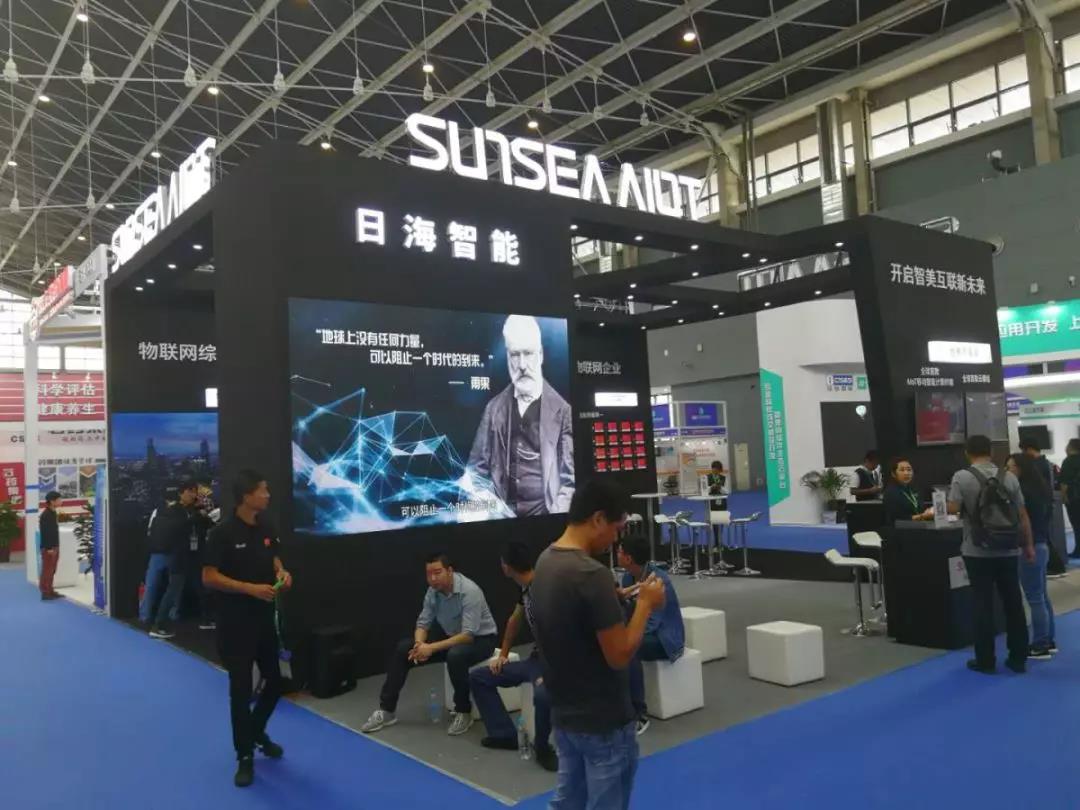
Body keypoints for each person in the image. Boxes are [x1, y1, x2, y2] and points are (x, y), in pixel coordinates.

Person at [530, 478, 666, 810]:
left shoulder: (546, 561)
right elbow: (619, 655)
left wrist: (610, 598)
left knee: (568, 803)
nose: (616, 539)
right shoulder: (592, 575)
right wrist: (645, 605)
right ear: (598, 519)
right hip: (603, 721)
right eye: (616, 529)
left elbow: (569, 626)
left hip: (566, 716)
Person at [203, 470, 293, 788]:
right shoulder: (222, 533)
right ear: (246, 496)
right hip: (234, 624)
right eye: (262, 490)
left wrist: (282, 573)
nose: (267, 495)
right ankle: (244, 755)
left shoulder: (267, 526)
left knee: (276, 682)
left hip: (265, 620)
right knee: (240, 691)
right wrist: (249, 589)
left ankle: (254, 731)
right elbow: (209, 576)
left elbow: (274, 559)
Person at [361, 552, 498, 737]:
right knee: (404, 649)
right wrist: (419, 645)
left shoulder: (469, 591)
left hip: (482, 640)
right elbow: (423, 623)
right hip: (452, 636)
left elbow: (467, 635)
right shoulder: (433, 592)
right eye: (429, 574)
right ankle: (387, 710)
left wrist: (431, 648)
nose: (433, 579)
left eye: (437, 572)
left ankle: (464, 712)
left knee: (455, 656)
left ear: (450, 571)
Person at [468, 314, 574, 516]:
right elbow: (475, 473)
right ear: (508, 357)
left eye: (528, 353)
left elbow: (570, 483)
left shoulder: (563, 411)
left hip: (548, 518)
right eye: (515, 354)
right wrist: (493, 511)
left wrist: (555, 519)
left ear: (540, 355)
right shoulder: (493, 409)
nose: (522, 365)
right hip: (502, 519)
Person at [947, 435, 1035, 675]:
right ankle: (1018, 658)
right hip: (1008, 549)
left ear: (967, 453)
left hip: (976, 550)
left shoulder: (962, 477)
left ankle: (985, 660)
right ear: (992, 452)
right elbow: (1022, 515)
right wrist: (1028, 545)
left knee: (981, 604)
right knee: (1013, 602)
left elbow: (953, 509)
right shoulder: (1009, 477)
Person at [468, 541, 556, 772]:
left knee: (543, 695)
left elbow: (561, 634)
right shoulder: (525, 589)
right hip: (535, 660)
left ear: (506, 567)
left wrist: (548, 673)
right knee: (479, 677)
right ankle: (504, 734)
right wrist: (503, 655)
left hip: (553, 662)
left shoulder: (544, 591)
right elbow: (514, 621)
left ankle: (543, 748)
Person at [617, 534, 684, 734]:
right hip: (645, 632)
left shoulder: (659, 581)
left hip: (665, 639)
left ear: (628, 558)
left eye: (619, 551)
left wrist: (629, 634)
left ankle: (639, 713)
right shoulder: (627, 577)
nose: (617, 554)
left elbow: (653, 623)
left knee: (631, 648)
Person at [1007, 453, 1057, 659]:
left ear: (1020, 468)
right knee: (1042, 595)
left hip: (1031, 547)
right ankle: (1048, 639)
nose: (1008, 471)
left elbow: (1022, 521)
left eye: (1010, 467)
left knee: (1034, 597)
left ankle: (1040, 644)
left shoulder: (1023, 493)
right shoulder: (1041, 490)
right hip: (1042, 544)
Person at [141, 481, 199, 639]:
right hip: (174, 554)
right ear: (180, 493)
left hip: (169, 553)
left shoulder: (171, 510)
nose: (192, 494)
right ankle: (159, 621)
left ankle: (153, 617)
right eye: (189, 491)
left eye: (194, 491)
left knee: (165, 587)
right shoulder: (181, 512)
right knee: (170, 588)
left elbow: (151, 530)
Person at [882, 457, 934, 526]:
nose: (906, 473)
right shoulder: (891, 493)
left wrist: (928, 511)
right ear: (893, 474)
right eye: (902, 470)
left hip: (917, 525)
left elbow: (916, 508)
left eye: (909, 470)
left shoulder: (914, 489)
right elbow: (897, 519)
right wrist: (922, 516)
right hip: (899, 528)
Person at [38, 491, 62, 601]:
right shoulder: (46, 515)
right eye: (59, 499)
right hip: (49, 547)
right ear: (52, 501)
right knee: (47, 570)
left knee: (52, 570)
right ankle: (45, 592)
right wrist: (48, 548)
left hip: (54, 546)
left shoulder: (53, 512)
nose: (61, 501)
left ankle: (50, 590)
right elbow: (45, 533)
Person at [1059, 438, 1080, 558]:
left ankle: (1078, 551)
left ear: (1071, 447)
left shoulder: (1068, 461)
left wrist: (1063, 497)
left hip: (1074, 499)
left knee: (1077, 525)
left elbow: (1064, 483)